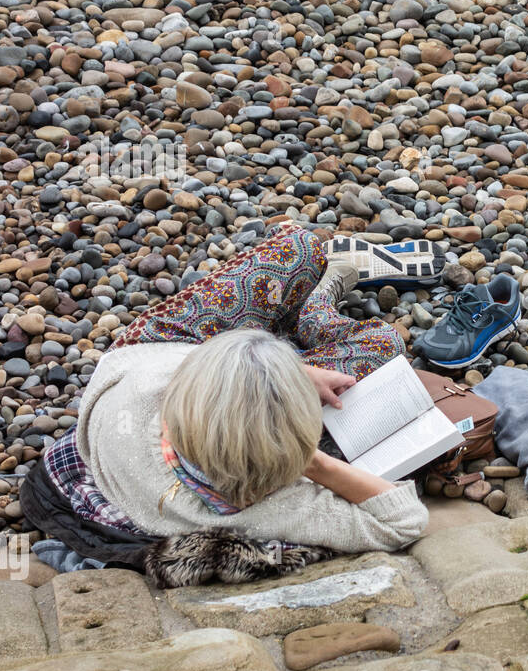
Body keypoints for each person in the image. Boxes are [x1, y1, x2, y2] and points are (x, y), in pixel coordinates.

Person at [50, 222, 428, 556]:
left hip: (156, 347)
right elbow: (403, 521)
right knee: (383, 345)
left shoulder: (155, 387)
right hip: (193, 364)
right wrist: (311, 461)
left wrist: (295, 372)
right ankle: (315, 308)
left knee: (301, 248)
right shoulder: (268, 510)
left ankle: (295, 321)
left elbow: (194, 363)